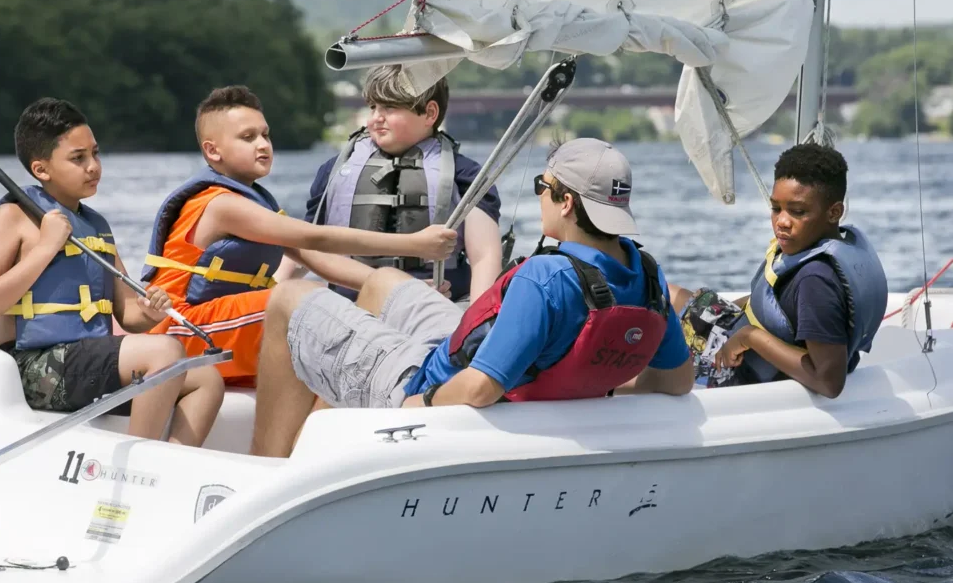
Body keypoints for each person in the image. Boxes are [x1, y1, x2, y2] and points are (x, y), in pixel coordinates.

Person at [252, 138, 694, 457]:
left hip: (421, 386)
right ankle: (339, 447)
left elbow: (481, 388)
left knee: (289, 298)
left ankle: (268, 470)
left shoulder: (544, 277)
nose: (539, 195)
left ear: (565, 203)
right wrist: (595, 380)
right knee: (384, 280)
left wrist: (418, 403)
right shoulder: (647, 274)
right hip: (490, 369)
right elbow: (675, 381)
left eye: (544, 185)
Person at [141, 85, 457, 385]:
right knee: (300, 301)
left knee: (327, 304)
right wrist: (415, 244)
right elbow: (314, 238)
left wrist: (402, 289)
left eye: (265, 135)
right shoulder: (221, 204)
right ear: (213, 151)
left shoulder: (255, 203)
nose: (263, 144)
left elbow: (318, 260)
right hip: (182, 329)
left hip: (219, 325)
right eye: (248, 137)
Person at [0, 98, 224, 446]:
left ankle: (172, 466)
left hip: (85, 360)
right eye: (78, 158)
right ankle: (139, 469)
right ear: (41, 169)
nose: (93, 166)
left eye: (95, 153)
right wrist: (46, 247)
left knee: (206, 379)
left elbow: (128, 315)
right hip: (34, 367)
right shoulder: (13, 217)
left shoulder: (96, 226)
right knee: (165, 353)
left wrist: (150, 311)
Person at [669, 143, 887, 398]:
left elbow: (830, 381)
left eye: (797, 211)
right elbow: (780, 304)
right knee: (667, 294)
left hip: (738, 371)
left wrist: (750, 337)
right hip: (739, 330)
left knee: (654, 333)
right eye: (776, 208)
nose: (782, 222)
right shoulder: (819, 247)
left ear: (834, 212)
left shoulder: (816, 282)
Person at [303, 66, 502, 303]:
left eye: (390, 107)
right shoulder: (334, 170)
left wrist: (474, 325)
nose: (376, 118)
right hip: (352, 304)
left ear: (429, 113)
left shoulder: (466, 175)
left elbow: (484, 258)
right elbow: (303, 245)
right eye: (373, 107)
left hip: (438, 304)